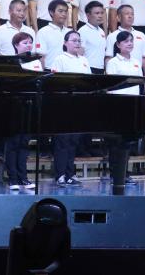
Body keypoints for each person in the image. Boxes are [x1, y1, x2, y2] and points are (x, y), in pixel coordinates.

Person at [105, 30, 145, 191]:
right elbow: (111, 85)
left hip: (132, 104)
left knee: (127, 142)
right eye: (126, 41)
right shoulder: (113, 62)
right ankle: (114, 174)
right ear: (118, 45)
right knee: (116, 142)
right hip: (118, 104)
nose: (129, 44)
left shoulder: (136, 62)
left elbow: (139, 83)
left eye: (131, 41)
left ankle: (125, 173)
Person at [47, 31, 90, 186]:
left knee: (73, 141)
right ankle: (60, 174)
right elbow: (55, 82)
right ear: (65, 43)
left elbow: (89, 81)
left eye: (79, 40)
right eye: (74, 40)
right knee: (62, 141)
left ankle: (70, 173)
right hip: (64, 104)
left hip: (79, 103)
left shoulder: (84, 60)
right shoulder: (60, 59)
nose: (77, 43)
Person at [3, 31, 38, 191]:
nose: (28, 45)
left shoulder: (36, 62)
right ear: (16, 46)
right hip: (14, 107)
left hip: (30, 107)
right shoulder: (12, 63)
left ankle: (23, 177)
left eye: (30, 42)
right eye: (25, 43)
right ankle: (13, 178)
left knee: (24, 144)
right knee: (13, 144)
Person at [105, 5, 145, 72]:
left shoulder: (141, 35)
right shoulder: (112, 36)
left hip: (137, 74)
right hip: (119, 74)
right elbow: (109, 58)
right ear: (119, 18)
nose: (130, 16)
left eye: (132, 14)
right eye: (127, 14)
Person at [35, 0, 71, 68]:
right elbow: (41, 56)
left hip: (68, 70)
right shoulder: (43, 32)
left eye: (66, 11)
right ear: (51, 12)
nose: (64, 14)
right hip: (50, 70)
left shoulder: (70, 32)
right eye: (60, 11)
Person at [78, 0, 108, 74]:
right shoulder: (83, 31)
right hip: (87, 69)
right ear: (88, 15)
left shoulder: (101, 31)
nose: (100, 16)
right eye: (97, 13)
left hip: (100, 69)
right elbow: (79, 54)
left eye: (102, 13)